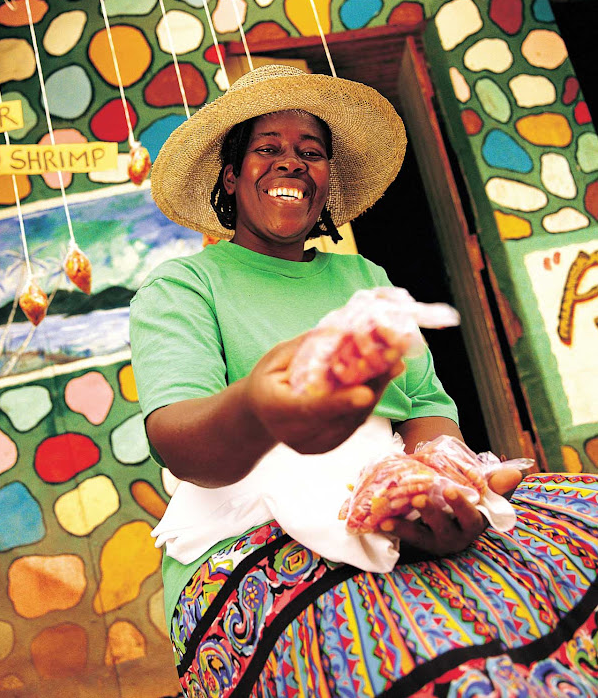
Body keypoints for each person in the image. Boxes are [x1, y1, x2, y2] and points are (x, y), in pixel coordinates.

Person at [129, 65, 598, 697]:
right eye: (266, 149)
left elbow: (425, 406)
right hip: (242, 545)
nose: (290, 163)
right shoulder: (184, 287)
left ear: (325, 179)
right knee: (435, 661)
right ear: (231, 175)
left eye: (310, 152)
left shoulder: (363, 278)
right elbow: (181, 444)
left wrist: (438, 477)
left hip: (385, 505)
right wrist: (263, 409)